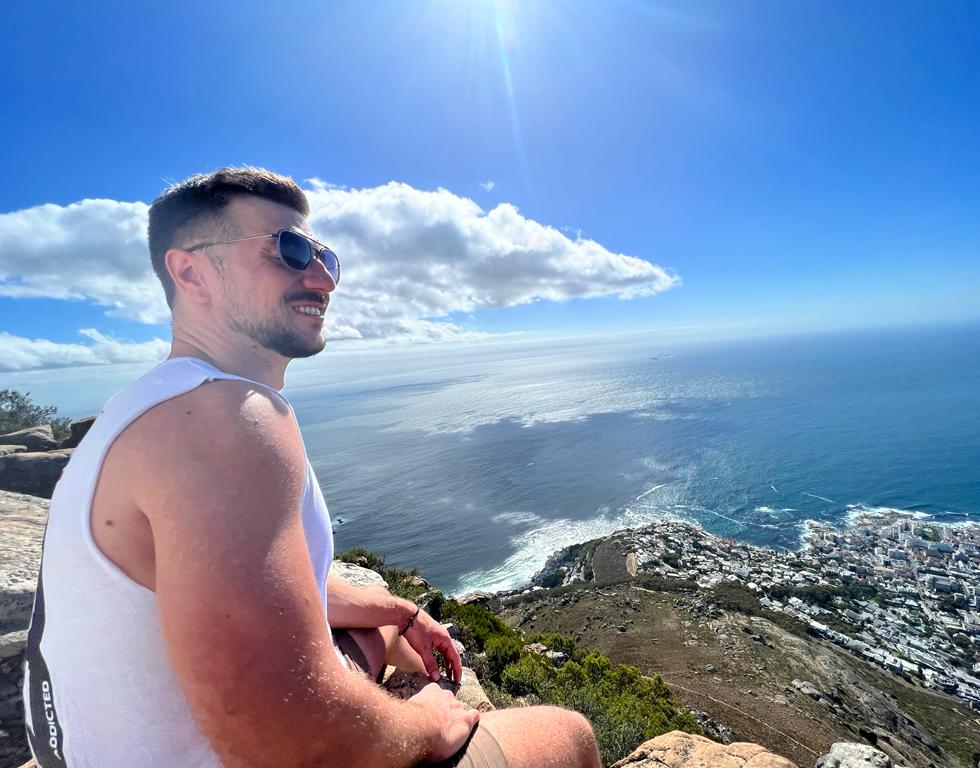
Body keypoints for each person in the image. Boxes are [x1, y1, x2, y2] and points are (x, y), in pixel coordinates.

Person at [23, 167, 601, 768]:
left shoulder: (145, 406)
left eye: (325, 255)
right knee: (567, 732)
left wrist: (402, 611)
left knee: (380, 632)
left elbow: (259, 576)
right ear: (190, 270)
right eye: (288, 249)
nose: (322, 277)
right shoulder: (224, 419)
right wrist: (423, 723)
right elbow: (293, 744)